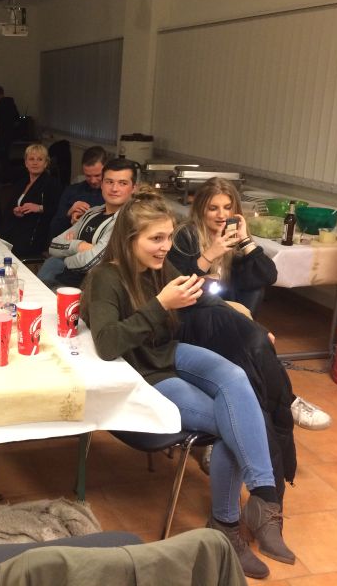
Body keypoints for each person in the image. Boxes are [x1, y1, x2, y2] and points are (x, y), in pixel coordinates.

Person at [81, 191, 295, 579]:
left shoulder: (159, 269)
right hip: (144, 372)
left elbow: (200, 299)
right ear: (129, 239)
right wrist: (161, 304)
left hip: (169, 351)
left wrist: (246, 323)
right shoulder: (105, 278)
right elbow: (108, 344)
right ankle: (226, 526)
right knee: (230, 424)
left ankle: (263, 498)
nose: (166, 247)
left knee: (235, 377)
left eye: (168, 236)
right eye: (156, 238)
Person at [168, 178, 331, 431]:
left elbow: (268, 275)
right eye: (213, 208)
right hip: (192, 315)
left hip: (228, 312)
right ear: (201, 209)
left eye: (227, 207)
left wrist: (245, 240)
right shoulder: (185, 235)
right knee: (256, 343)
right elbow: (175, 283)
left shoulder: (234, 239)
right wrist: (209, 254)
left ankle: (274, 408)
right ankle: (287, 403)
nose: (221, 215)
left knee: (254, 303)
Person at [39, 158, 137, 288]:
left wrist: (65, 257)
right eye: (109, 182)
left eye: (122, 183)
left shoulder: (128, 219)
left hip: (91, 290)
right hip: (61, 281)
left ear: (133, 188)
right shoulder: (92, 212)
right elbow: (54, 246)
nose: (114, 188)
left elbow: (90, 263)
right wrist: (80, 246)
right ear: (102, 184)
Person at [0, 143, 59, 258]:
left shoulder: (51, 183)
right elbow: (10, 206)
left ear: (46, 163)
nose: (35, 163)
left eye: (40, 159)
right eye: (31, 159)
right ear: (26, 163)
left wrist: (39, 208)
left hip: (34, 234)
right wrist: (15, 210)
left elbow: (58, 209)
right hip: (15, 226)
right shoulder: (22, 182)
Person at [50, 146, 109, 238]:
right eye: (88, 176)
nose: (93, 181)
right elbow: (54, 230)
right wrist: (69, 213)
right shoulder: (71, 191)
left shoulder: (112, 194)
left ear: (107, 170)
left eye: (97, 175)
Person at [0, 85, 19, 160]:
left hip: (3, 133)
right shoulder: (11, 104)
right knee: (7, 154)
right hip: (11, 134)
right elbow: (17, 119)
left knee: (0, 154)